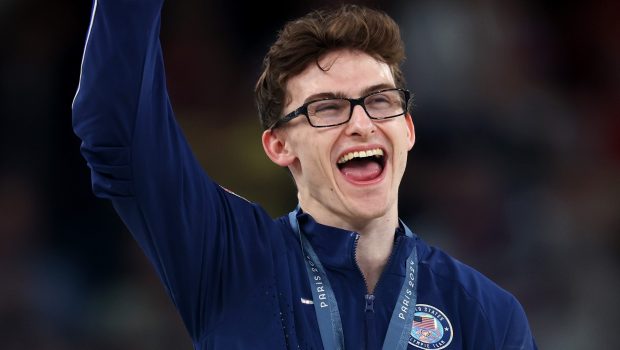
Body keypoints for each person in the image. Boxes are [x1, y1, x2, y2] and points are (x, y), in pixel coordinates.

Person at [72, 0, 537, 349]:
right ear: (279, 145)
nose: (361, 123)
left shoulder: (486, 315)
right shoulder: (231, 260)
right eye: (327, 108)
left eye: (379, 101)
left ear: (408, 130)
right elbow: (116, 129)